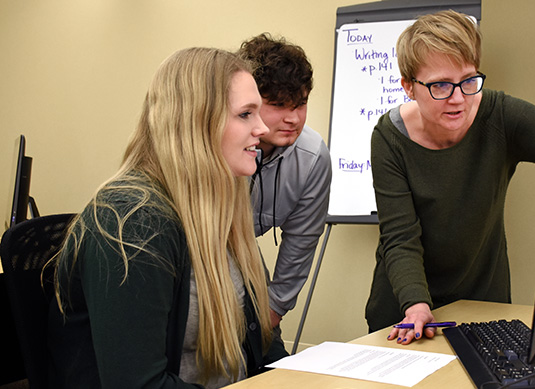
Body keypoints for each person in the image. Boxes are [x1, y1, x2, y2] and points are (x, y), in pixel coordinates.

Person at [48, 47, 283, 388]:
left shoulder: (225, 204)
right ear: (195, 122)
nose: (262, 128)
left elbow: (263, 344)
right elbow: (137, 384)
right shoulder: (132, 221)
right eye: (246, 114)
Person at [365, 10, 535, 344]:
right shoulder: (388, 137)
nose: (458, 98)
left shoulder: (501, 116)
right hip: (404, 311)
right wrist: (415, 305)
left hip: (483, 307)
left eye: (468, 80)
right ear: (409, 87)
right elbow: (400, 236)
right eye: (440, 85)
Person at [237, 34, 332, 337]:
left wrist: (274, 308)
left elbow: (302, 241)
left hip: (245, 253)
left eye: (301, 104)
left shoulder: (313, 157)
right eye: (278, 105)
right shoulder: (220, 144)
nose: (293, 118)